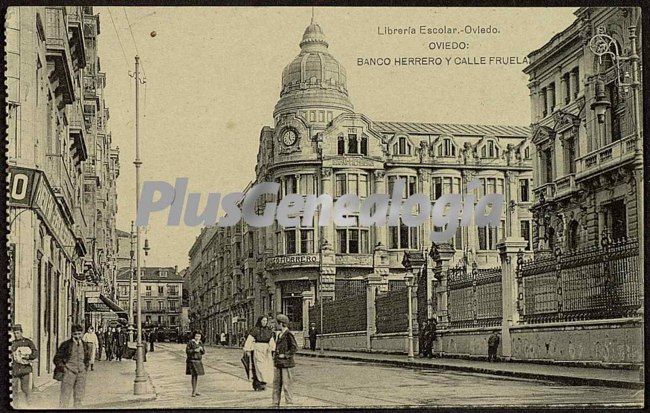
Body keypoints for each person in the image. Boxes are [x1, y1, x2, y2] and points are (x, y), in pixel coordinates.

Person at [54, 324, 92, 408]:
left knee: (79, 396)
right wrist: (64, 369)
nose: (77, 336)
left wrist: (85, 369)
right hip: (69, 372)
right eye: (75, 334)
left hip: (81, 373)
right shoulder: (66, 345)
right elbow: (57, 358)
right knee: (65, 396)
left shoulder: (85, 345)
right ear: (71, 334)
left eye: (79, 334)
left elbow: (87, 358)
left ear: (82, 334)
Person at [243, 316, 276, 391]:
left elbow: (271, 340)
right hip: (258, 349)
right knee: (259, 366)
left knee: (266, 367)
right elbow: (249, 340)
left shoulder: (268, 330)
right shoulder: (255, 330)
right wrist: (247, 350)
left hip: (266, 350)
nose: (264, 322)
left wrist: (273, 349)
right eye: (263, 321)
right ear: (260, 321)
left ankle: (264, 382)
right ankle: (258, 383)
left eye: (265, 321)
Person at [272, 314, 297, 407]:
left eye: (277, 323)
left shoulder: (288, 334)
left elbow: (294, 348)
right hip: (278, 363)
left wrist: (285, 355)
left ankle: (289, 403)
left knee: (287, 385)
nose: (275, 325)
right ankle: (275, 402)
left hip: (286, 364)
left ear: (281, 323)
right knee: (276, 384)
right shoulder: (279, 334)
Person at [11, 324, 38, 406]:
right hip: (15, 369)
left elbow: (35, 353)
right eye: (15, 333)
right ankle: (16, 406)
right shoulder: (12, 343)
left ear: (21, 332)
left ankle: (29, 404)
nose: (16, 335)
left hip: (25, 369)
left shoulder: (28, 342)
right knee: (14, 388)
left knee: (25, 388)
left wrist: (28, 356)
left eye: (18, 333)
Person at [186, 331, 205, 397]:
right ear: (194, 336)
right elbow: (187, 351)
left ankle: (195, 390)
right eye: (196, 336)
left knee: (196, 376)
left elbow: (203, 352)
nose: (198, 337)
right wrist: (194, 350)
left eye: (199, 336)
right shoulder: (191, 342)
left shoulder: (200, 343)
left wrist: (201, 349)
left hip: (198, 361)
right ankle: (193, 391)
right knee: (193, 376)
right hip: (192, 361)